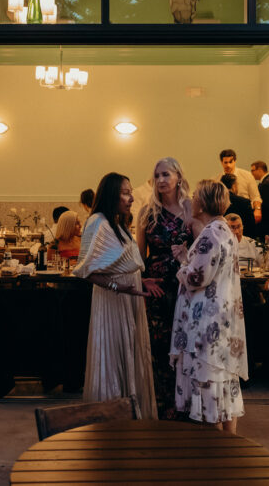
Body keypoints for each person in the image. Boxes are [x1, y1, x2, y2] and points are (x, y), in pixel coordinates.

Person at [73, 172, 160, 418]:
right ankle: (111, 418)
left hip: (128, 297)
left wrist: (141, 279)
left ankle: (130, 410)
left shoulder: (117, 223)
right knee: (112, 358)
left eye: (131, 192)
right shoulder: (97, 223)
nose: (132, 197)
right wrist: (118, 288)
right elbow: (86, 271)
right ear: (111, 195)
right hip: (112, 302)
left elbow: (121, 264)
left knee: (129, 354)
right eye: (125, 192)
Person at [169, 179, 248, 433]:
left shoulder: (210, 233)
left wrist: (182, 263)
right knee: (222, 381)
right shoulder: (225, 230)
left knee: (209, 382)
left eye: (194, 196)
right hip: (221, 315)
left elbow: (196, 278)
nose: (191, 200)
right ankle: (230, 441)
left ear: (202, 203)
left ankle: (217, 448)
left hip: (206, 321)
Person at [136, 157, 195, 420]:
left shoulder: (192, 208)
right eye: (157, 175)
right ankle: (163, 407)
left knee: (185, 346)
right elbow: (139, 256)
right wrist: (141, 283)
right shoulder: (147, 212)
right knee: (160, 349)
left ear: (178, 177)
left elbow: (204, 247)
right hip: (157, 290)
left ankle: (188, 407)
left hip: (186, 288)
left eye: (166, 175)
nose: (161, 180)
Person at [218, 149, 261, 224]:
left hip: (244, 214)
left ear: (235, 161)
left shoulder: (247, 176)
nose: (228, 165)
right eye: (225, 162)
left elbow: (255, 196)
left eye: (230, 162)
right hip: (225, 218)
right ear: (221, 163)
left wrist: (257, 210)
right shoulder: (217, 180)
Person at [220, 174, 258, 239]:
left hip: (222, 239)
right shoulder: (244, 202)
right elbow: (251, 227)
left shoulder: (217, 202)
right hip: (241, 239)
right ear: (234, 186)